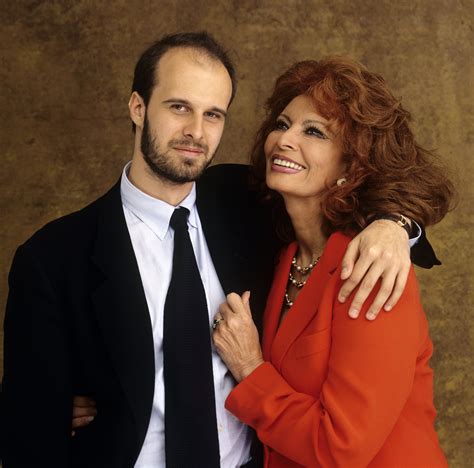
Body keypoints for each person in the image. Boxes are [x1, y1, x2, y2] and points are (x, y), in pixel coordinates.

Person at [0, 32, 437, 468]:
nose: (195, 131)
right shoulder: (53, 258)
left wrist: (395, 225)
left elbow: (373, 178)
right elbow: (28, 428)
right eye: (178, 107)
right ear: (138, 107)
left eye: (213, 114)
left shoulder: (249, 206)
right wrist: (52, 410)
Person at [212, 57, 454, 467]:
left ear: (352, 165)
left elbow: (341, 448)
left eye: (314, 132)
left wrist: (250, 368)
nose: (285, 140)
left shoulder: (372, 268)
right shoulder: (283, 253)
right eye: (282, 124)